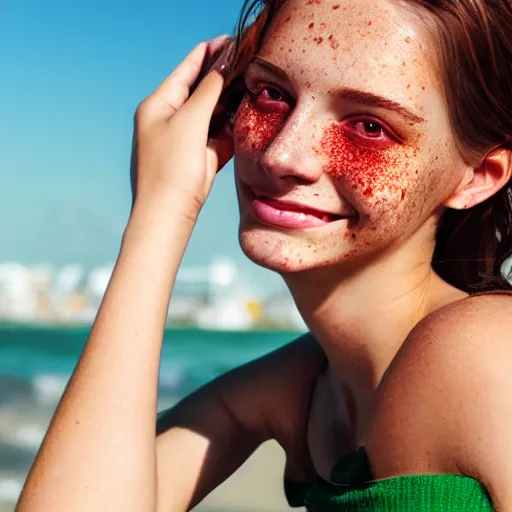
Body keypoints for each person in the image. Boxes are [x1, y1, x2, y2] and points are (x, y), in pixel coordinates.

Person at [16, 0, 512, 510]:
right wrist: (160, 208)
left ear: (476, 177)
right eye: (272, 94)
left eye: (368, 127)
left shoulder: (490, 354)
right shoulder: (298, 387)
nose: (282, 155)